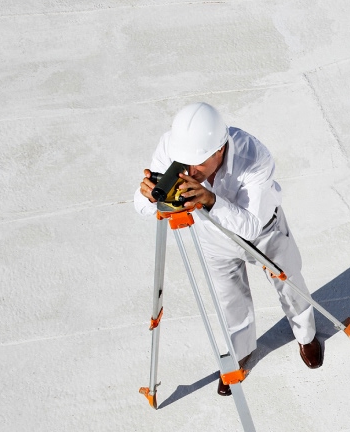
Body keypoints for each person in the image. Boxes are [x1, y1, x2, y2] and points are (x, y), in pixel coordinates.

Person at [134, 102, 323, 395]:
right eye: (184, 162)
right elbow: (140, 204)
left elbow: (250, 226)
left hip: (264, 232)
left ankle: (306, 335)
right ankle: (241, 353)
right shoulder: (173, 147)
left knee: (290, 284)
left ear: (220, 149)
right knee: (229, 300)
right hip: (213, 237)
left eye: (198, 163)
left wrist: (210, 200)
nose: (190, 171)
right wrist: (147, 196)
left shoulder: (254, 156)